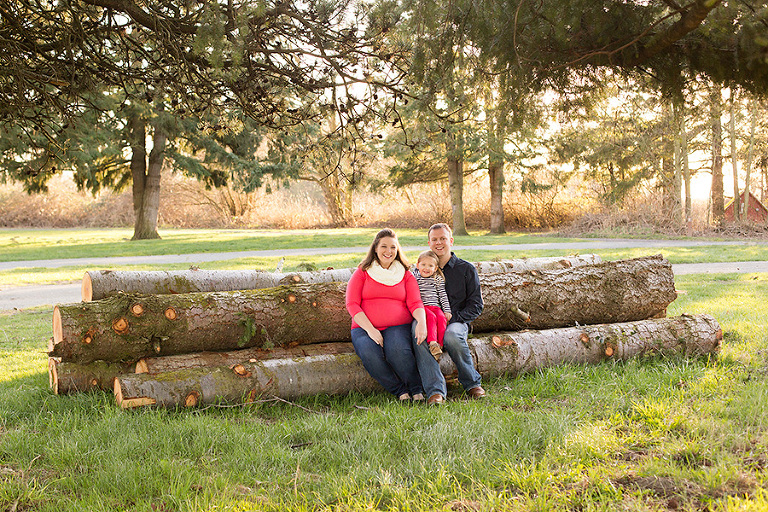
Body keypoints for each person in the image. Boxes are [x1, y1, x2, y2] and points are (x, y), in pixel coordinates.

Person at [345, 228, 428, 401]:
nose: (388, 251)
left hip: (397, 326)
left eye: (393, 247)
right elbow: (352, 304)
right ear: (375, 248)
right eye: (384, 246)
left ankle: (416, 388)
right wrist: (371, 330)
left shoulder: (405, 274)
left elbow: (415, 303)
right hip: (364, 327)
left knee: (398, 351)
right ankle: (400, 391)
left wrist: (421, 321)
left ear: (397, 250)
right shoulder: (363, 272)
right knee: (369, 353)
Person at [413, 223, 486, 405]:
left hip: (456, 320)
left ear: (451, 241)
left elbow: (476, 305)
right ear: (429, 243)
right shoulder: (421, 270)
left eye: (443, 239)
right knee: (418, 333)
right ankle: (435, 391)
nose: (439, 243)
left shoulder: (466, 269)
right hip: (426, 316)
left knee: (452, 335)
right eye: (434, 239)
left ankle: (472, 383)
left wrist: (453, 319)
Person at [411, 250, 452, 361]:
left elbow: (443, 295)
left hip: (435, 306)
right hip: (422, 307)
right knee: (431, 317)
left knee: (441, 318)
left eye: (430, 266)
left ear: (435, 268)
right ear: (418, 265)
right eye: (423, 264)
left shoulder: (437, 278)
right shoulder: (415, 276)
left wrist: (447, 310)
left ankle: (440, 345)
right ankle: (432, 342)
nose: (426, 268)